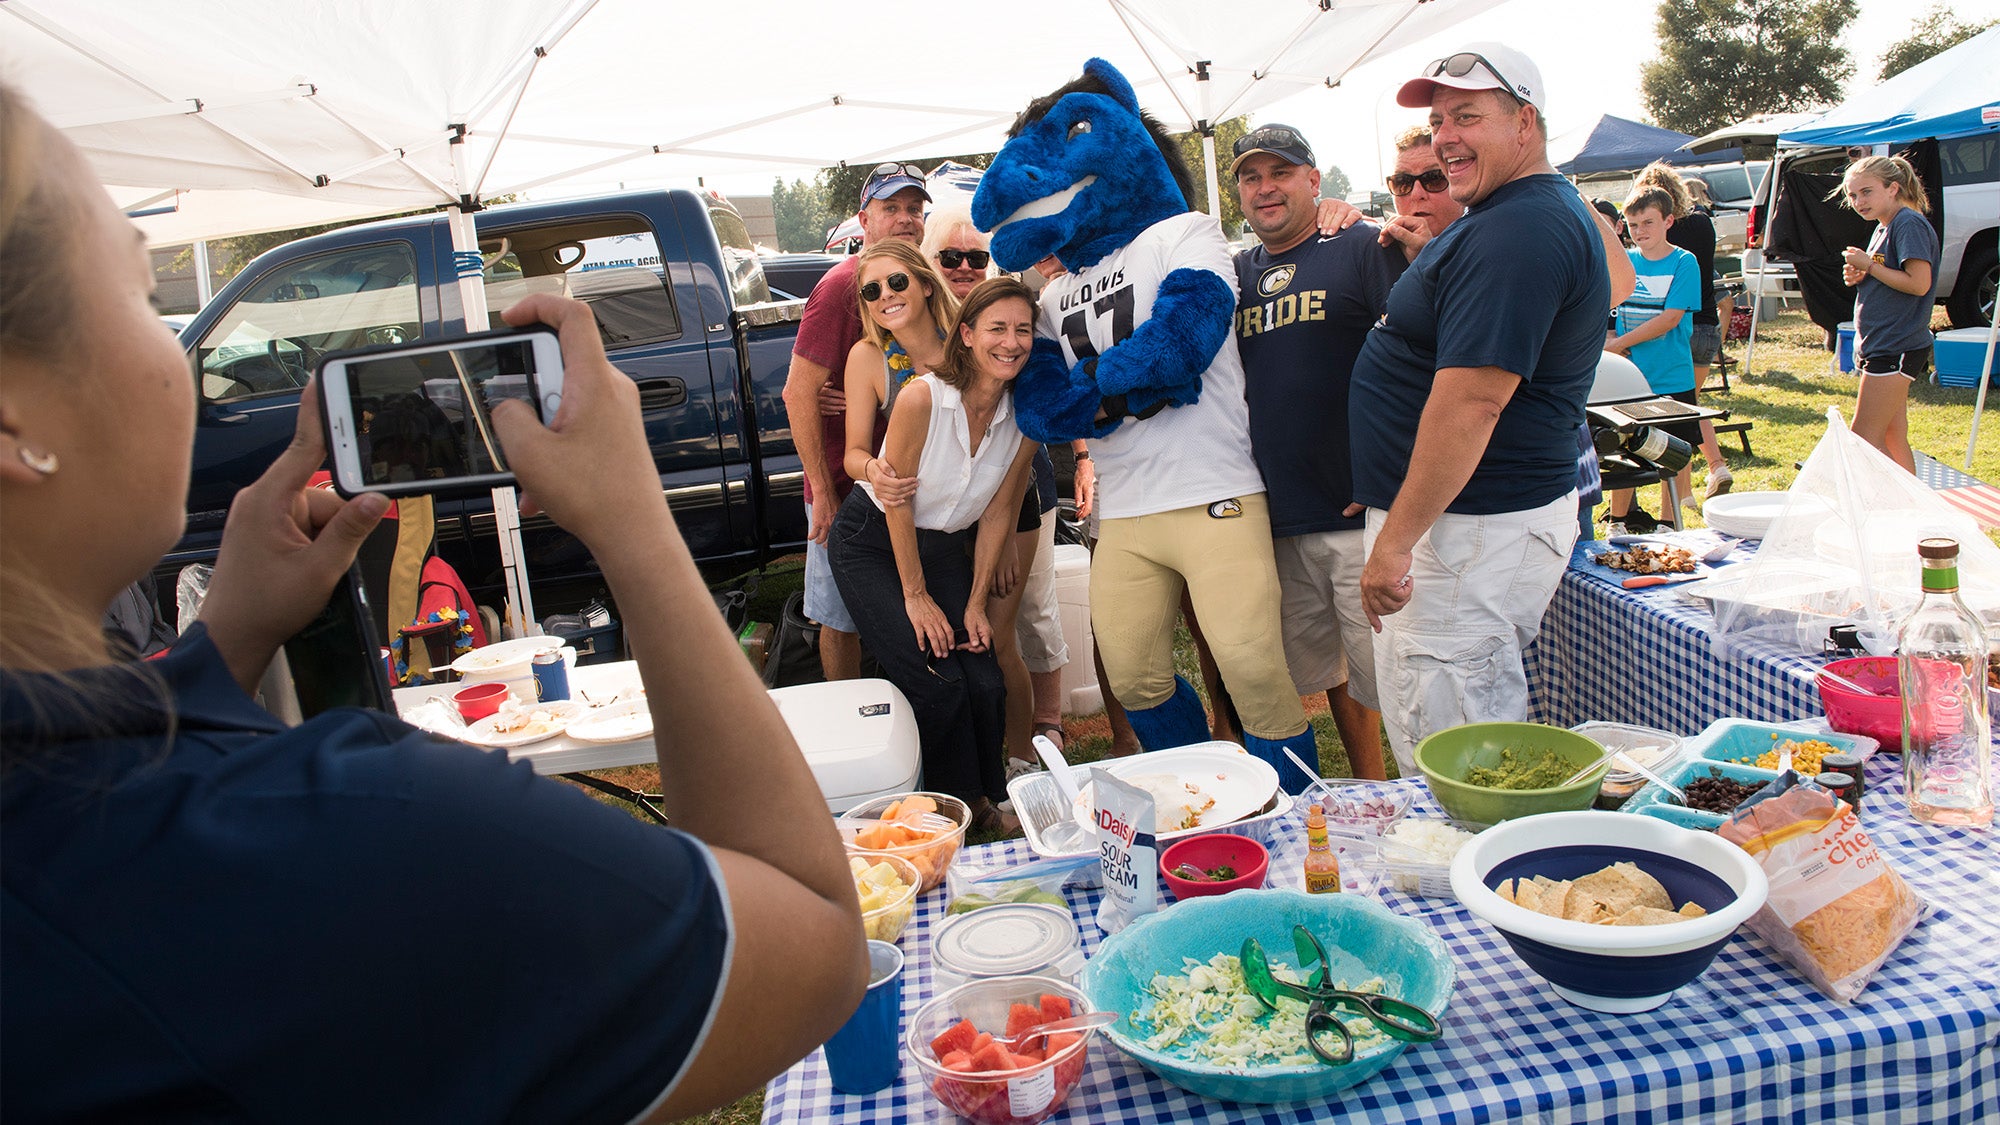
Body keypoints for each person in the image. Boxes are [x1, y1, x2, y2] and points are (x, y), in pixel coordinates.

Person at [0, 85, 866, 1121]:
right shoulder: (364, 831)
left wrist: (226, 640)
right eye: (143, 301)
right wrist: (637, 528)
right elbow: (814, 943)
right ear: (14, 429)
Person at [1349, 44, 1613, 773]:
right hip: (1463, 524)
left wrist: (1397, 539)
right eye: (1438, 121)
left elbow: (1472, 403)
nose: (1445, 137)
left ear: (1525, 123)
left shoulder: (1518, 228)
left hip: (1468, 531)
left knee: (1457, 749)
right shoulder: (1510, 215)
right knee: (1448, 725)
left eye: (1467, 116)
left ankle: (1469, 879)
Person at [829, 277, 1041, 833]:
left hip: (947, 548)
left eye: (1023, 330)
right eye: (997, 329)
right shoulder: (922, 397)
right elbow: (896, 505)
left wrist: (974, 601)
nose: (1011, 342)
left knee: (984, 672)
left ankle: (992, 798)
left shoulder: (1025, 417)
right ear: (966, 334)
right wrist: (916, 596)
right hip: (873, 544)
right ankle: (957, 814)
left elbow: (998, 513)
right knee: (937, 678)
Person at [1231, 123, 1399, 781]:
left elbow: (1416, 360)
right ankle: (1328, 799)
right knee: (1310, 673)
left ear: (1313, 179)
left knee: (1381, 675)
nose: (1265, 187)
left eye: (1280, 172)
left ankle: (1391, 788)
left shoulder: (1361, 246)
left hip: (1357, 511)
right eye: (1251, 176)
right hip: (1274, 515)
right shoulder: (1236, 272)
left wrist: (1386, 468)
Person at [920, 209, 1078, 774]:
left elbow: (1057, 390)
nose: (964, 267)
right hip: (949, 509)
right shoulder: (922, 321)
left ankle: (1042, 730)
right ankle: (984, 751)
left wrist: (1011, 530)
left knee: (1026, 611)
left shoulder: (1014, 317)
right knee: (970, 626)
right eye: (950, 257)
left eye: (976, 256)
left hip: (1016, 496)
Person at [782, 162, 930, 682]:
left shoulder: (924, 279)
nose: (906, 219)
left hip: (909, 487)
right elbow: (798, 393)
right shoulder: (845, 284)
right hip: (845, 488)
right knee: (839, 618)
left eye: (914, 208)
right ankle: (846, 723)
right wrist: (822, 490)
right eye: (891, 209)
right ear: (864, 220)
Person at [1603, 187, 1704, 532]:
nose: (1640, 231)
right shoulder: (1626, 261)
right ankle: (1617, 521)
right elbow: (1610, 308)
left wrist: (1620, 344)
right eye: (1633, 225)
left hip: (1671, 377)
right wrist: (1611, 337)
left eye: (1648, 222)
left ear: (1668, 221)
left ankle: (1669, 523)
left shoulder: (1683, 262)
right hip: (1628, 380)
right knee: (1621, 454)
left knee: (1671, 455)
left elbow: (1670, 318)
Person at [1637, 163, 1732, 502]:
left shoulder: (1658, 235)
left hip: (1670, 327)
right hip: (1707, 323)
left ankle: (1682, 493)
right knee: (1690, 407)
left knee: (1677, 415)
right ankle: (1715, 466)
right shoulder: (1702, 224)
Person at [1837, 154, 1938, 472]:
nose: (1858, 201)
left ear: (1893, 188)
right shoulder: (1886, 226)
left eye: (1866, 192)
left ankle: (1899, 509)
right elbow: (1888, 273)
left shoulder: (1908, 223)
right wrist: (1861, 274)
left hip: (1896, 344)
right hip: (1884, 342)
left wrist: (1869, 266)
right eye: (1852, 195)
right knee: (1893, 435)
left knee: (1863, 439)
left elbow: (1919, 284)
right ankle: (1912, 511)